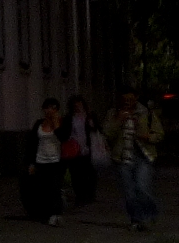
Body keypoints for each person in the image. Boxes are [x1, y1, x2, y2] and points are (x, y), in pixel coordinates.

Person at [102, 89, 163, 232]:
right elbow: (107, 133)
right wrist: (119, 120)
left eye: (130, 99)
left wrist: (148, 137)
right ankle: (136, 219)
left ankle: (149, 214)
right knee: (129, 192)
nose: (127, 102)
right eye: (124, 99)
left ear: (136, 98)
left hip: (143, 156)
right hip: (123, 157)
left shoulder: (146, 113)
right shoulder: (113, 113)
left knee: (142, 187)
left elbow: (159, 133)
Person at [23, 98, 70, 225]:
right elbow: (32, 144)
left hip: (56, 161)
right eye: (47, 108)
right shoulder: (39, 124)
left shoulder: (62, 122)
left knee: (55, 187)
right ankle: (44, 211)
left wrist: (56, 125)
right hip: (40, 160)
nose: (50, 111)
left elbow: (64, 137)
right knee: (42, 187)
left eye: (53, 108)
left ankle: (56, 213)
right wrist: (31, 163)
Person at [64, 95, 99, 207]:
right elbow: (66, 132)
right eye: (75, 106)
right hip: (74, 148)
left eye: (79, 105)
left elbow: (97, 129)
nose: (77, 107)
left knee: (89, 172)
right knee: (76, 173)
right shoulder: (69, 118)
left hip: (88, 148)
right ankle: (80, 195)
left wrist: (92, 125)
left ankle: (90, 194)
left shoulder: (89, 116)